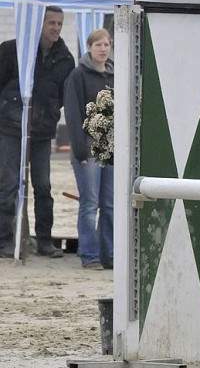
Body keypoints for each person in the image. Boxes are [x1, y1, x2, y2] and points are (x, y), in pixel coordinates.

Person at [0, 6, 75, 258]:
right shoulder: (12, 49)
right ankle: (5, 241)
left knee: (42, 186)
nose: (55, 28)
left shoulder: (65, 58)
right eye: (51, 23)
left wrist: (49, 110)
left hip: (43, 131)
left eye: (59, 24)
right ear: (39, 24)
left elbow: (64, 96)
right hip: (10, 128)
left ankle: (45, 240)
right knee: (9, 185)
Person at [63, 28, 114, 270]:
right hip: (87, 151)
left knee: (110, 204)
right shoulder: (77, 76)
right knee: (90, 203)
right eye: (98, 45)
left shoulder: (114, 76)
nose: (103, 49)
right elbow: (73, 114)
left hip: (110, 152)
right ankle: (90, 254)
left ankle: (110, 254)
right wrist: (80, 151)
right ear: (89, 47)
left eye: (106, 44)